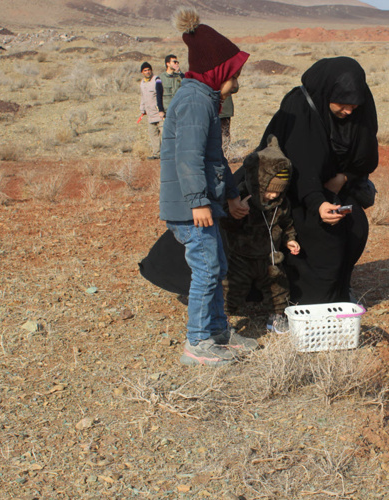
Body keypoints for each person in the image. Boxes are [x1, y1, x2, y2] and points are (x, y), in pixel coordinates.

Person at [160, 7, 256, 367]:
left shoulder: (204, 100)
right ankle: (197, 342)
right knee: (206, 269)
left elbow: (214, 158)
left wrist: (230, 195)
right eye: (235, 74)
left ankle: (218, 332)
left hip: (203, 204)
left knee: (216, 266)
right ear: (219, 71)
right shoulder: (195, 102)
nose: (238, 82)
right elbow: (187, 159)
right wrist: (199, 202)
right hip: (191, 208)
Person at [258, 57, 378, 305]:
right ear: (326, 94)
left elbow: (366, 156)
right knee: (318, 235)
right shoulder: (299, 107)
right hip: (292, 189)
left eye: (354, 106)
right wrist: (318, 202)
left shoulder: (359, 107)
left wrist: (344, 178)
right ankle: (302, 299)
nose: (349, 111)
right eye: (343, 105)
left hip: (334, 185)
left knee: (355, 226)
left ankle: (340, 288)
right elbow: (298, 166)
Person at [222, 135, 299, 334]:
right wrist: (237, 214)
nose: (273, 195)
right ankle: (222, 318)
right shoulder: (241, 198)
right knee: (231, 288)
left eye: (278, 192)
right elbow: (226, 225)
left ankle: (277, 317)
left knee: (278, 288)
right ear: (258, 183)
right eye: (269, 191)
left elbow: (286, 223)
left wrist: (290, 240)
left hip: (270, 258)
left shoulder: (281, 204)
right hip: (241, 257)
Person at [139, 62, 164, 160]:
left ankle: (166, 154)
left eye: (149, 69)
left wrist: (161, 109)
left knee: (164, 134)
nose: (147, 72)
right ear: (142, 72)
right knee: (153, 134)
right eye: (145, 70)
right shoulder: (142, 83)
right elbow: (143, 97)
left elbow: (160, 94)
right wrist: (142, 109)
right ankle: (156, 154)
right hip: (150, 113)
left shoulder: (157, 80)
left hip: (159, 112)